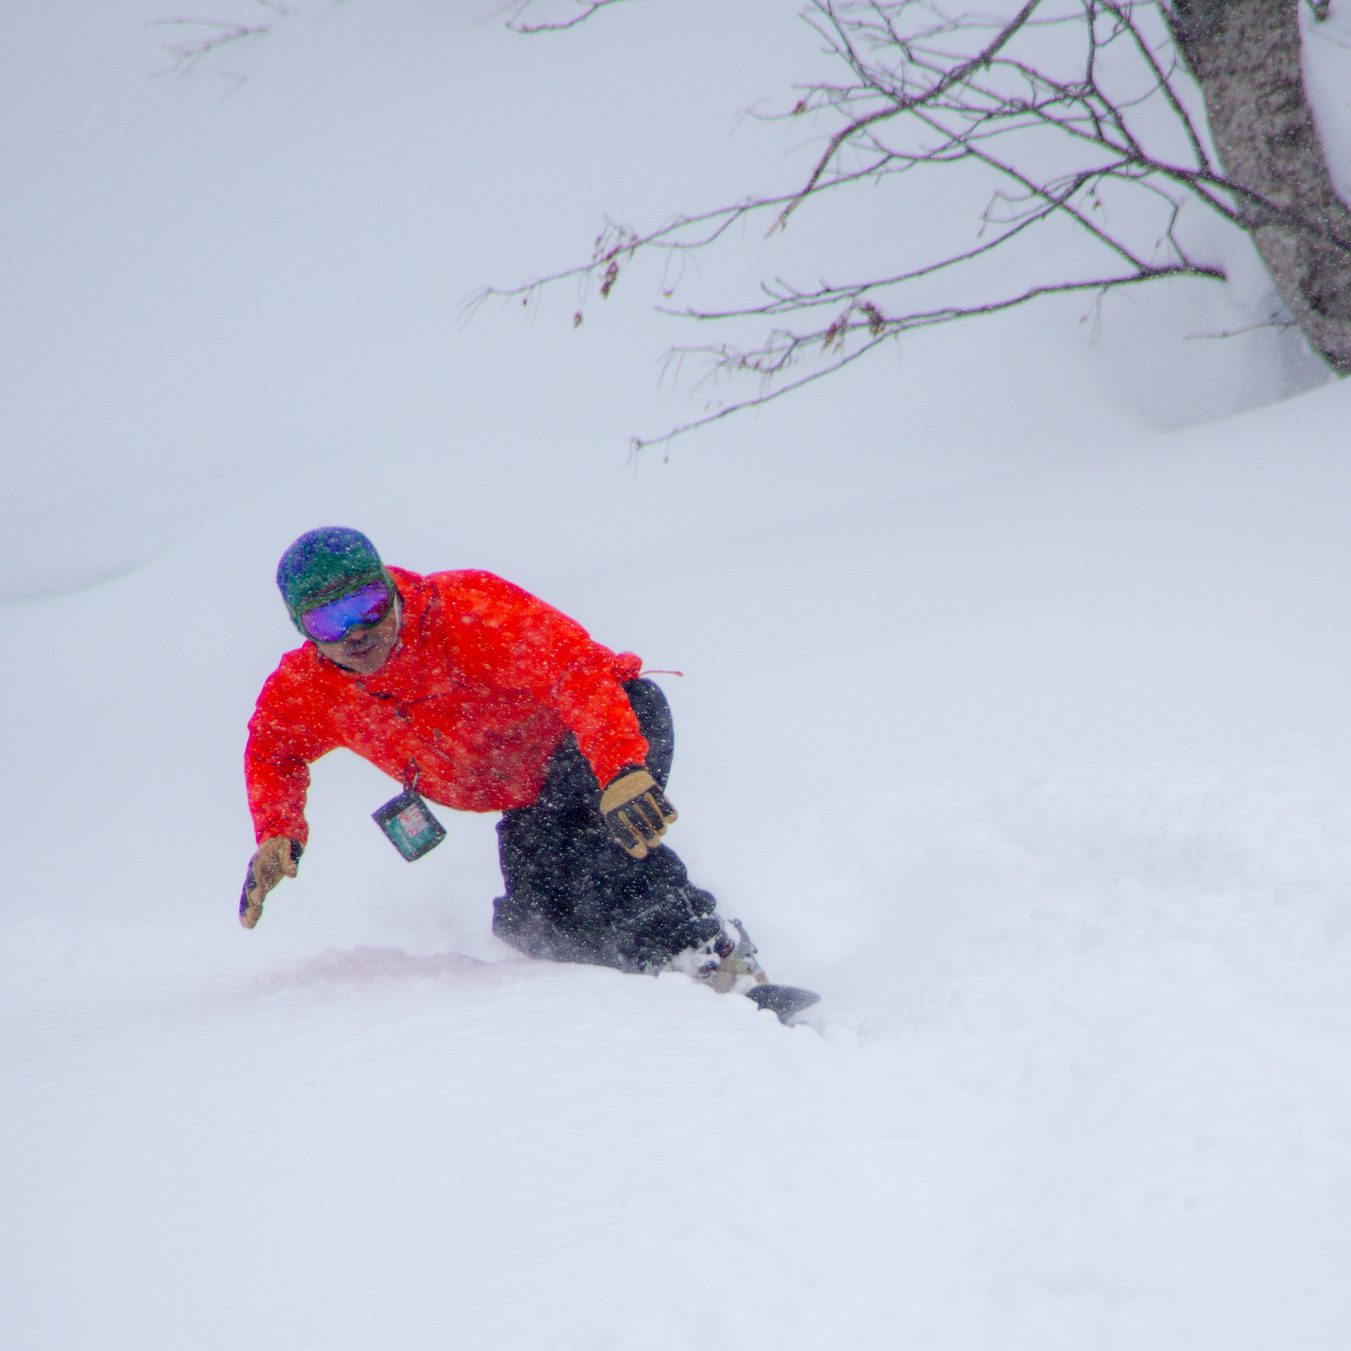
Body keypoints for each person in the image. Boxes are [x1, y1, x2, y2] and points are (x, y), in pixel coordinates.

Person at [240, 526, 770, 996]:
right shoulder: (309, 690)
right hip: (531, 794)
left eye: (368, 604)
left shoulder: (466, 610)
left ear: (391, 588)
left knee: (598, 855)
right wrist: (278, 830)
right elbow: (272, 750)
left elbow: (576, 672)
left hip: (605, 731)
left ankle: (715, 965)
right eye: (329, 619)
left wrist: (620, 769)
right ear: (302, 629)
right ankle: (635, 993)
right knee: (538, 919)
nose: (355, 631)